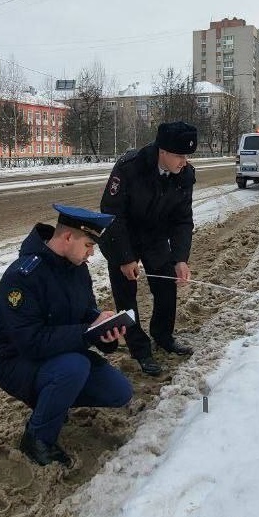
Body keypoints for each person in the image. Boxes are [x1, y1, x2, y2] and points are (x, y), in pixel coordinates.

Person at [0, 204, 133, 466]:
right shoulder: (23, 276)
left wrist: (104, 331)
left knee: (119, 391)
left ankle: (54, 400)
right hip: (15, 360)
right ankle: (37, 439)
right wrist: (87, 333)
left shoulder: (76, 268)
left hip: (58, 354)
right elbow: (29, 342)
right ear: (68, 237)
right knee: (74, 367)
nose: (91, 254)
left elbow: (86, 312)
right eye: (88, 245)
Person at [98, 121, 198, 376]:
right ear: (162, 151)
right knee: (126, 296)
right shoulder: (130, 167)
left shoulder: (185, 175)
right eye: (179, 155)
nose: (183, 161)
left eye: (187, 156)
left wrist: (180, 258)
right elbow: (111, 213)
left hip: (155, 237)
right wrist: (125, 257)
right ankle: (139, 348)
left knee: (166, 286)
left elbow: (182, 219)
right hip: (122, 236)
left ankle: (163, 336)